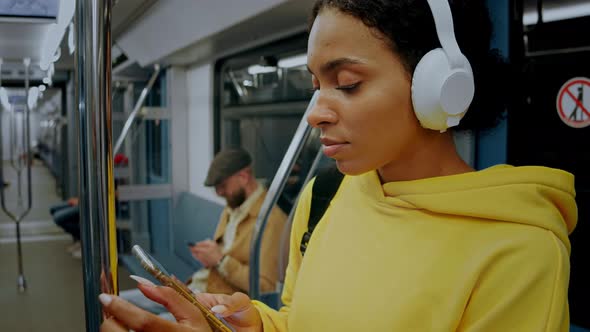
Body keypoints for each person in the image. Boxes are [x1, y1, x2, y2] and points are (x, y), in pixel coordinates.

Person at [99, 1, 577, 331]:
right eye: (315, 85)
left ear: (439, 87)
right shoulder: (327, 195)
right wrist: (255, 325)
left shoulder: (518, 251)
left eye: (346, 84)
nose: (315, 112)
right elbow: (298, 318)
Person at [119, 148, 287, 313]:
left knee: (145, 321)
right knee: (122, 301)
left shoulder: (271, 221)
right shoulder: (233, 208)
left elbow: (267, 288)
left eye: (223, 186)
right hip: (199, 291)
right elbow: (223, 257)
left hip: (220, 306)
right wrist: (208, 257)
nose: (219, 193)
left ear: (243, 177)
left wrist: (220, 261)